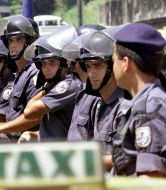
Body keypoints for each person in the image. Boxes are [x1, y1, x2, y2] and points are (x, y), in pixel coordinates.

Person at [65, 25, 129, 172]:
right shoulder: (98, 104)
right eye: (88, 67)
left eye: (97, 66)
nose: (91, 73)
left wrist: (83, 160)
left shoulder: (124, 105)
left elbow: (128, 158)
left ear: (112, 67)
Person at [112, 23, 166, 177]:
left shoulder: (149, 107)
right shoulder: (147, 101)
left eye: (113, 60)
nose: (112, 66)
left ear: (126, 64)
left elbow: (151, 177)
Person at [0, 15, 40, 142]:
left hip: (27, 144)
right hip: (13, 142)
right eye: (10, 41)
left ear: (29, 41)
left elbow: (34, 117)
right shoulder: (20, 74)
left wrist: (0, 129)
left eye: (18, 39)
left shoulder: (35, 73)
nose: (13, 45)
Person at [19, 24, 81, 141]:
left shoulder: (68, 85)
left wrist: (46, 88)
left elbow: (29, 112)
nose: (46, 69)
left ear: (65, 64)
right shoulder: (56, 84)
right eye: (43, 64)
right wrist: (35, 135)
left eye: (52, 63)